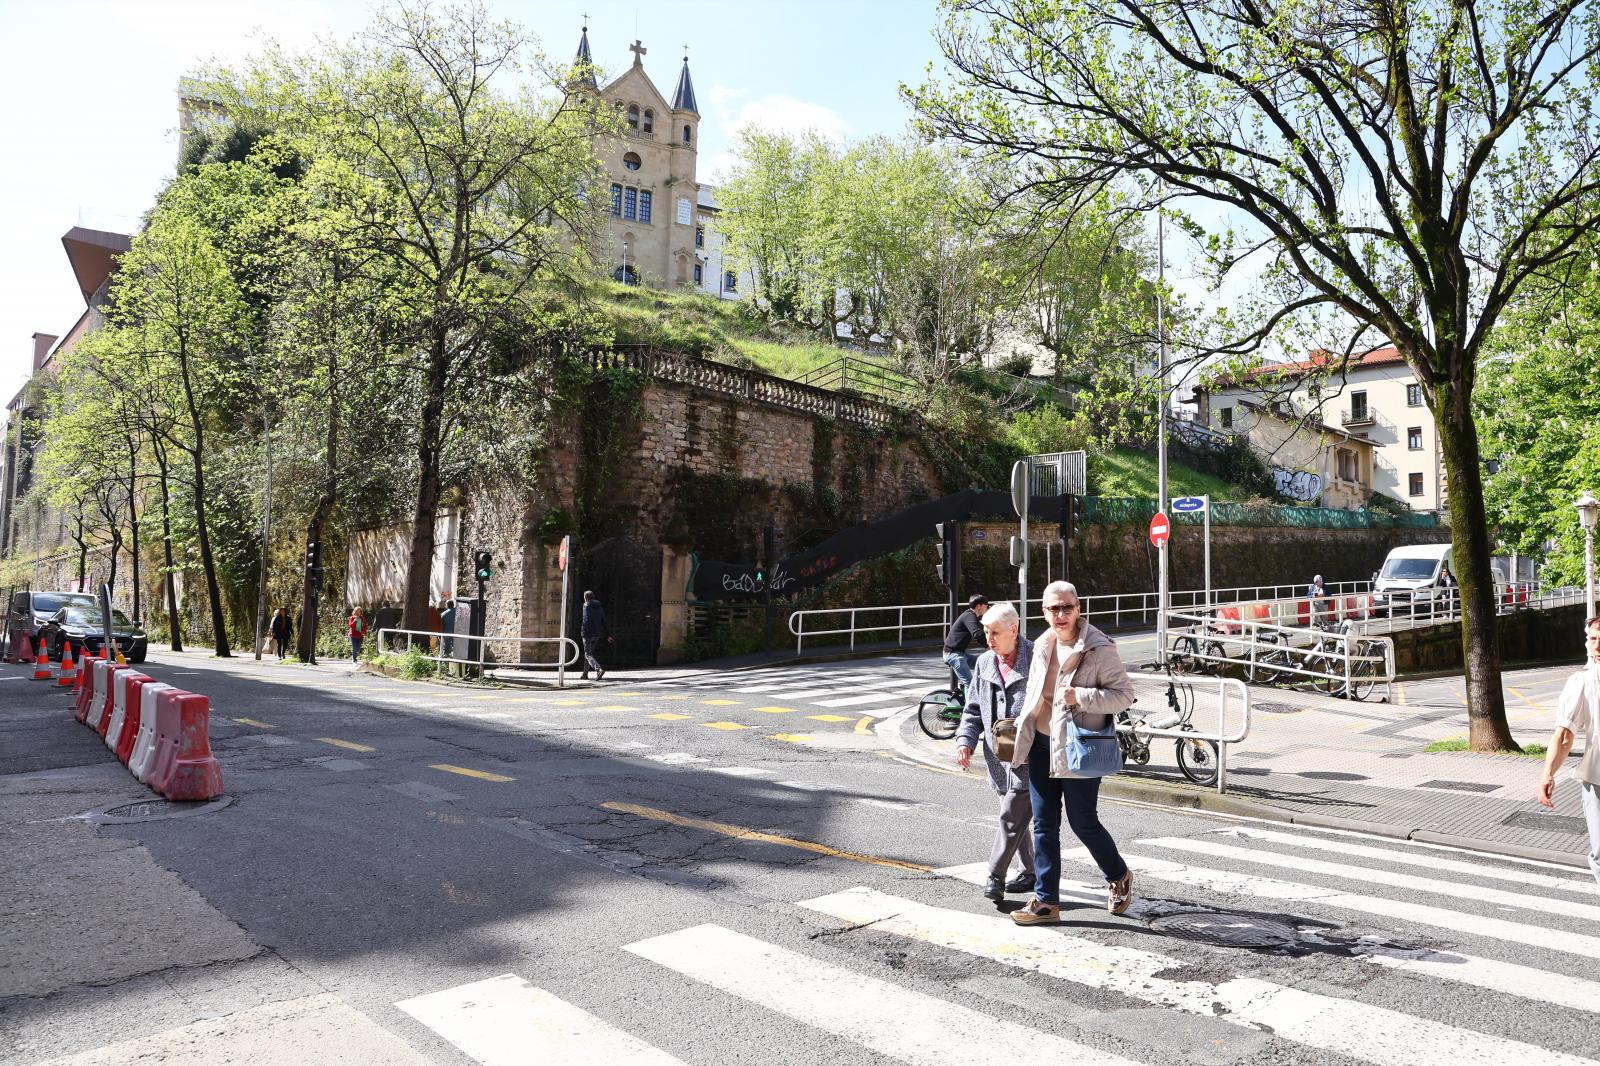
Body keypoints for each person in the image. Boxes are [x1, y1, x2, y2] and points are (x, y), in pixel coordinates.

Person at [1008, 580, 1136, 924]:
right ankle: (1047, 902)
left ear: (1079, 609)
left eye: (1067, 607)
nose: (1061, 614)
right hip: (1041, 744)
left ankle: (1118, 875)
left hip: (1079, 746)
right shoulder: (1042, 644)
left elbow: (1124, 695)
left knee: (1083, 822)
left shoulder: (1098, 648)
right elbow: (1036, 695)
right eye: (1054, 608)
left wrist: (1080, 696)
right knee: (1044, 824)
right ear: (1044, 612)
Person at [954, 601, 1036, 901]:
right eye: (986, 631)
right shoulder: (985, 663)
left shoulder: (1037, 658)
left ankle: (995, 875)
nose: (988, 638)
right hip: (998, 759)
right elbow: (973, 709)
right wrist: (965, 740)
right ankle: (1031, 872)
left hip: (1029, 757)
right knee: (1016, 819)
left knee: (1010, 817)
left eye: (994, 632)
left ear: (1013, 630)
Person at [1538, 615, 1600, 885]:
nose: (1596, 645)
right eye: (1593, 639)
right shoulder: (1583, 682)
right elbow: (1564, 736)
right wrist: (1548, 772)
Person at [942, 594, 989, 693]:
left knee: (984, 664)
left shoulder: (972, 617)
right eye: (986, 606)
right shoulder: (969, 616)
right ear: (979, 606)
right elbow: (977, 633)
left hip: (960, 653)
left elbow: (983, 631)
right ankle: (969, 708)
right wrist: (988, 646)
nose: (987, 608)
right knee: (970, 684)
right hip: (953, 655)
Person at [580, 590, 610, 681]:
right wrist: (608, 634)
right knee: (589, 654)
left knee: (587, 654)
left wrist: (584, 632)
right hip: (597, 634)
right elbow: (603, 621)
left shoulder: (586, 606)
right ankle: (585, 674)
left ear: (585, 598)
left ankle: (599, 669)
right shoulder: (599, 607)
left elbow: (586, 620)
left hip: (588, 634)